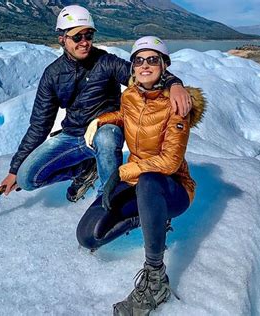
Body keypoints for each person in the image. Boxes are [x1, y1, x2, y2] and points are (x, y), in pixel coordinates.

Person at [0, 5, 192, 202]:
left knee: (106, 139)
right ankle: (84, 170)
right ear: (62, 38)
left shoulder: (106, 62)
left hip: (106, 129)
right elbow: (40, 124)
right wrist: (15, 168)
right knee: (27, 179)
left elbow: (144, 74)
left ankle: (108, 198)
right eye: (77, 37)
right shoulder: (53, 75)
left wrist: (175, 84)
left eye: (88, 35)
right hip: (72, 135)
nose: (84, 42)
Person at [77, 36, 205, 315]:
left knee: (149, 182)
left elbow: (170, 162)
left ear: (164, 66)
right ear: (132, 67)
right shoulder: (130, 96)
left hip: (171, 188)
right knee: (88, 236)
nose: (145, 65)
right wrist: (101, 120)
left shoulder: (176, 105)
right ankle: (149, 217)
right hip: (136, 182)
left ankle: (156, 279)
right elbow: (126, 117)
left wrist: (122, 171)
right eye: (139, 60)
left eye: (153, 59)